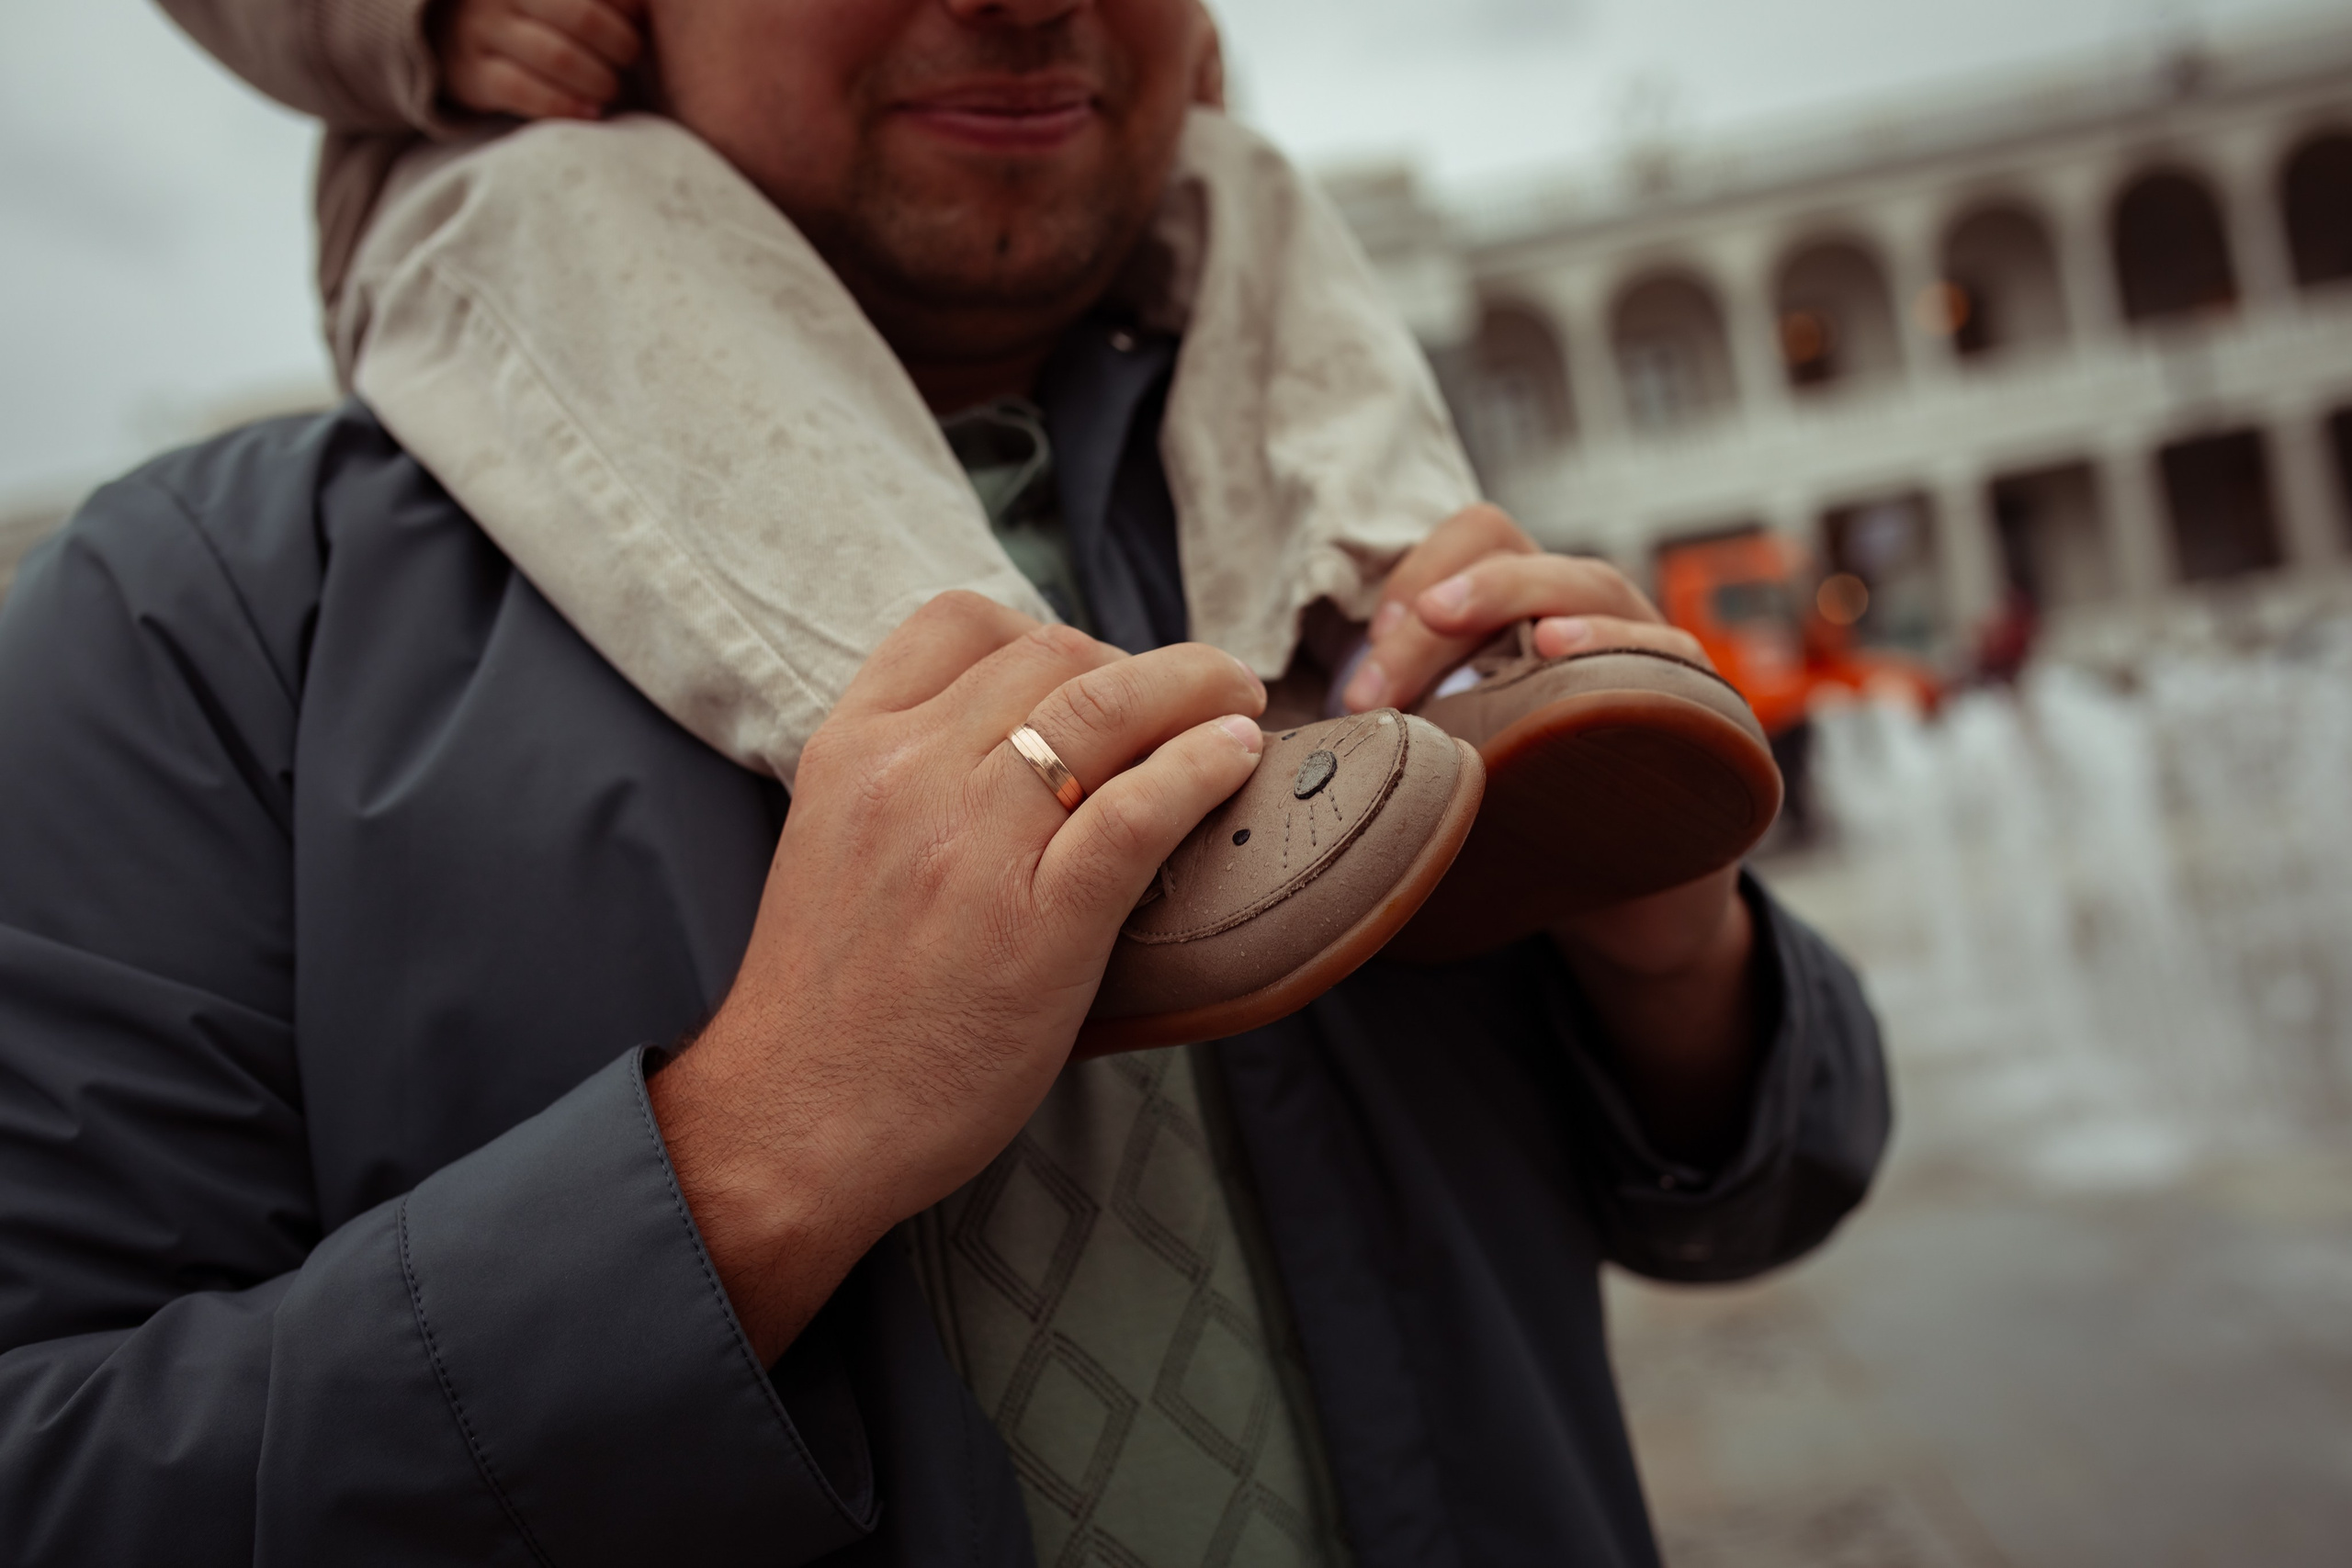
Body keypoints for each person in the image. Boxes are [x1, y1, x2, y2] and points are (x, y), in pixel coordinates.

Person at [0, 3, 1892, 1565]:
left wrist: (1668, 961)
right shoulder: (216, 625)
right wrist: (749, 1161)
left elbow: (1767, 1194)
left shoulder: (1322, 495)